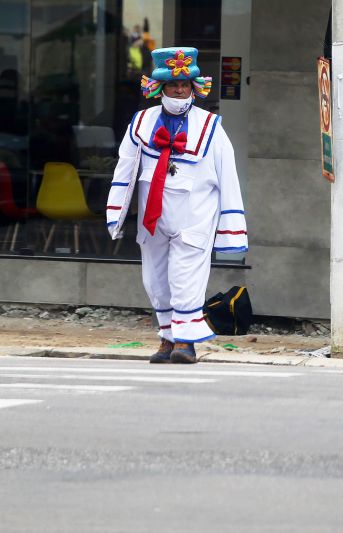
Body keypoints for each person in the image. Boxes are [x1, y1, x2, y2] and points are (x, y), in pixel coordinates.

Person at [107, 47, 247, 364]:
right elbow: (124, 169)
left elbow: (229, 178)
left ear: (194, 86)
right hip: (151, 219)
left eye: (185, 84)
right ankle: (167, 337)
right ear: (160, 88)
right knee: (155, 281)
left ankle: (186, 341)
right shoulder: (140, 123)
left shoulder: (211, 127)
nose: (180, 90)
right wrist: (115, 213)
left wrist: (231, 229)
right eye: (173, 84)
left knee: (186, 278)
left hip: (194, 217)